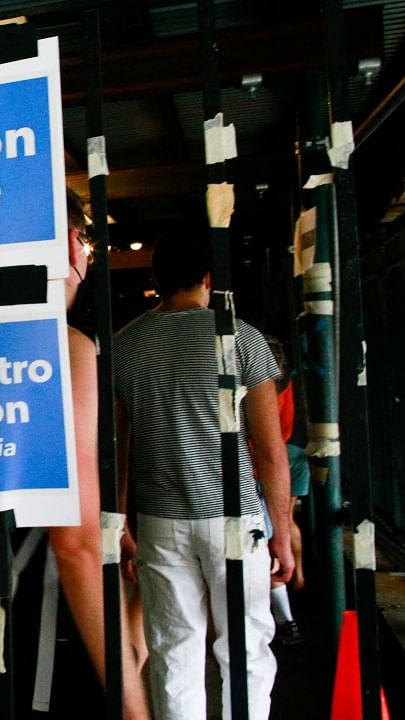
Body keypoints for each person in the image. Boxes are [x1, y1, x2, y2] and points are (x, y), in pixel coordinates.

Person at [0, 192, 151, 720]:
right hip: (47, 625)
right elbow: (76, 544)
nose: (87, 255)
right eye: (85, 240)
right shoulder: (64, 349)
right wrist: (132, 704)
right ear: (65, 245)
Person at [114, 236, 294, 720]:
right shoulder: (241, 338)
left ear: (156, 283)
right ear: (209, 281)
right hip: (234, 520)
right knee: (245, 649)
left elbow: (119, 449)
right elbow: (270, 451)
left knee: (174, 649)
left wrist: (120, 523)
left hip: (159, 520)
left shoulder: (125, 345)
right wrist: (284, 532)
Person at [264, 335, 308, 645]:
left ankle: (284, 619)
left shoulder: (254, 382)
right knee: (286, 519)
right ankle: (299, 575)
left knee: (266, 535)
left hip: (261, 460)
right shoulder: (285, 382)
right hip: (289, 452)